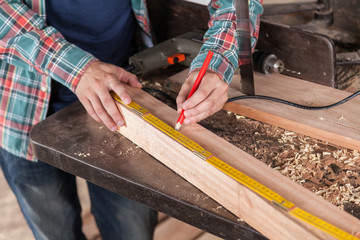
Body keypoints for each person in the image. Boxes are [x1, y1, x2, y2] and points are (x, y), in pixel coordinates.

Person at [0, 0, 263, 239]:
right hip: (21, 104)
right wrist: (76, 68)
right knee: (54, 231)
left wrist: (218, 61)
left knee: (130, 230)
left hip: (125, 91)